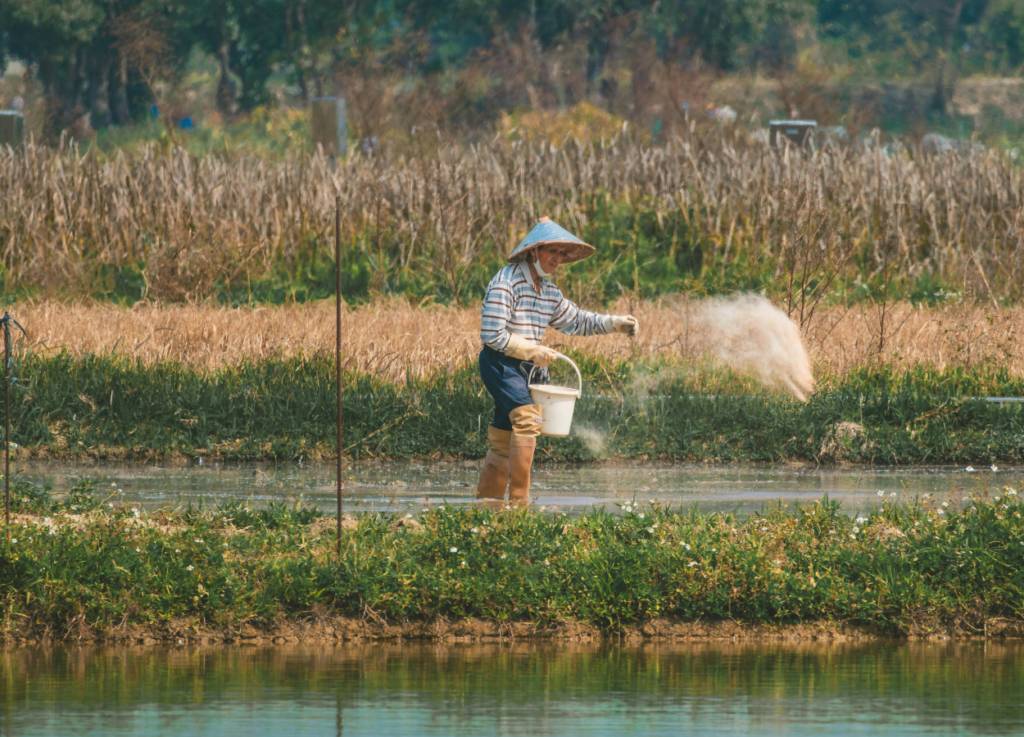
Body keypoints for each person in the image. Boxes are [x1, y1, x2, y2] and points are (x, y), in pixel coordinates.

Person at [476, 217, 639, 506]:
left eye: (562, 254)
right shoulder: (507, 281)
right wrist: (532, 351)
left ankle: (486, 505)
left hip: (526, 370)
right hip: (501, 364)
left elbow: (577, 321)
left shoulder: (549, 292)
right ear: (534, 251)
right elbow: (491, 334)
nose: (558, 259)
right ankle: (519, 505)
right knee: (528, 420)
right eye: (553, 251)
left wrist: (614, 323)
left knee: (503, 439)